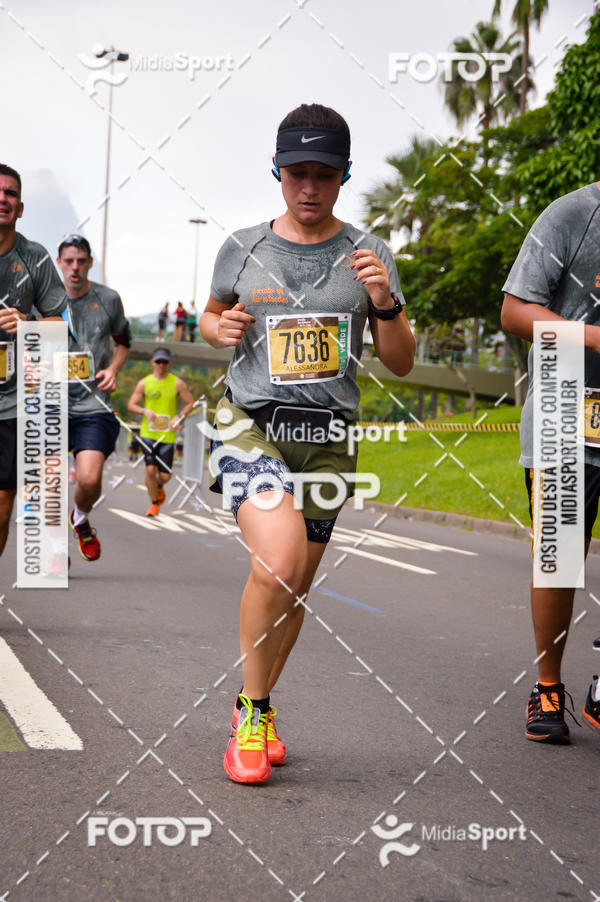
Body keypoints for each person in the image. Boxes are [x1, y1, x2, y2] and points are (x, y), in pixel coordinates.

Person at [200, 103, 415, 784]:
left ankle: (251, 709)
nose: (309, 187)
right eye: (297, 173)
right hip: (250, 422)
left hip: (325, 438)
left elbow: (402, 361)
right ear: (277, 170)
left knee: (292, 587)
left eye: (324, 174)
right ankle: (255, 713)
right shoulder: (243, 246)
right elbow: (210, 314)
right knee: (280, 558)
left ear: (346, 174)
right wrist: (219, 330)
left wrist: (385, 303)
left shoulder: (369, 255)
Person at [501, 181, 600, 744]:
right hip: (567, 406)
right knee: (560, 557)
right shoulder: (571, 215)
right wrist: (592, 338)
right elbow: (514, 311)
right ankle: (547, 685)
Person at [0, 164, 67, 558]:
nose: (2, 199)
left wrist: (29, 324)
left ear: (20, 208)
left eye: (10, 193)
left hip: (10, 400)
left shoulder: (35, 258)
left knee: (4, 499)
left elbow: (58, 324)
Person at [56, 235, 130, 562]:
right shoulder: (42, 301)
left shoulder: (109, 299)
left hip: (93, 405)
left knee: (89, 478)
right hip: (49, 403)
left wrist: (114, 368)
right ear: (59, 263)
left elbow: (123, 340)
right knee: (45, 485)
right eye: (69, 261)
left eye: (81, 261)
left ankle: (81, 517)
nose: (75, 267)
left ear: (89, 263)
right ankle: (53, 551)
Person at [127, 346, 194, 516]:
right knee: (150, 470)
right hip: (148, 434)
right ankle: (154, 503)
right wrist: (144, 411)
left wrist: (178, 416)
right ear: (152, 362)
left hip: (167, 436)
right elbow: (131, 405)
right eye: (158, 361)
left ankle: (158, 486)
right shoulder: (144, 383)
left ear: (169, 363)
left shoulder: (177, 383)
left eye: (164, 362)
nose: (161, 365)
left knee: (164, 476)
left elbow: (190, 403)